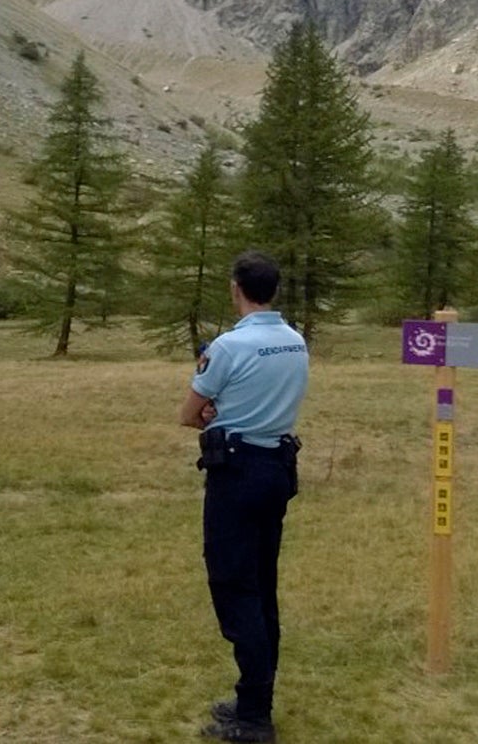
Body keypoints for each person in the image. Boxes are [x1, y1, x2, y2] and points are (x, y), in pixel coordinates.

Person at [177, 252, 309, 743]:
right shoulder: (295, 342)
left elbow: (189, 413)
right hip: (277, 467)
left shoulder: (229, 347)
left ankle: (254, 715)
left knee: (234, 586)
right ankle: (257, 697)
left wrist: (216, 411)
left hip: (237, 471)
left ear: (236, 289)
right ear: (273, 289)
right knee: (262, 583)